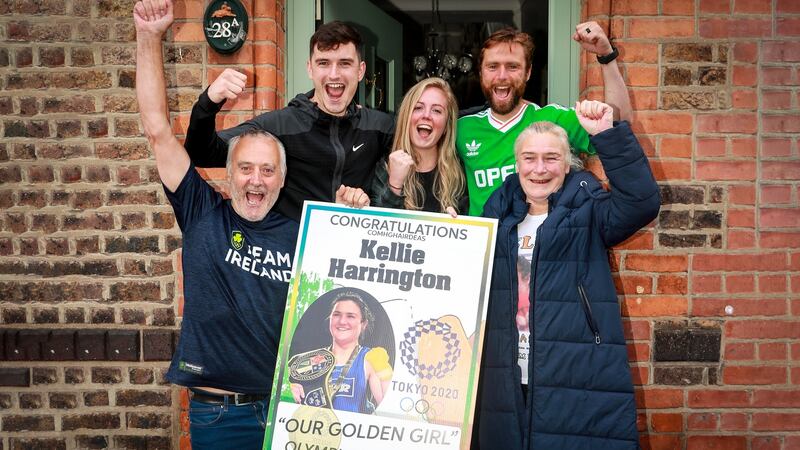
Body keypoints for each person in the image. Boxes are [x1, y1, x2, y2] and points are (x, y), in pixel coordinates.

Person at [134, 1, 297, 447]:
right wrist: (149, 37)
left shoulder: (301, 235)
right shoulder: (201, 211)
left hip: (288, 414)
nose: (256, 180)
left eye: (267, 170)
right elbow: (156, 128)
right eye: (246, 168)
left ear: (281, 179)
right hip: (219, 416)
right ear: (228, 172)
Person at [477, 100, 660, 449]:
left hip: (574, 371)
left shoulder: (589, 209)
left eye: (551, 158)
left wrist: (606, 135)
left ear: (567, 163)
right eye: (530, 158)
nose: (540, 169)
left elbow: (642, 202)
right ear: (516, 164)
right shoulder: (496, 216)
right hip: (503, 375)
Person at [182, 20, 394, 221]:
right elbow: (202, 153)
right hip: (291, 254)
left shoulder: (379, 127)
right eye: (323, 63)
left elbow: (419, 160)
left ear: (361, 70)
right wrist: (208, 102)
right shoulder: (280, 126)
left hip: (349, 254)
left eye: (345, 64)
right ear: (310, 68)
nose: (334, 74)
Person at [457, 23, 632, 216]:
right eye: (492, 66)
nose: (502, 76)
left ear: (528, 72)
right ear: (481, 73)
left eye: (512, 66)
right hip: (486, 242)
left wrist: (606, 56)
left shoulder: (551, 119)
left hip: (541, 242)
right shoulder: (463, 128)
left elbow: (619, 124)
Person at [369, 77, 467, 215]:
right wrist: (395, 185)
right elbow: (378, 228)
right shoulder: (385, 167)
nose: (426, 115)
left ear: (446, 126)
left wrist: (457, 223)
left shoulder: (458, 174)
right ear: (406, 117)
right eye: (418, 108)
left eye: (437, 111)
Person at [290, 292, 393, 414]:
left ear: (363, 324)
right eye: (336, 315)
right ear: (330, 319)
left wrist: (384, 374)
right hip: (312, 430)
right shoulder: (311, 360)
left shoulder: (370, 359)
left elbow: (388, 409)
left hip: (351, 431)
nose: (342, 321)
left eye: (350, 316)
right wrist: (289, 389)